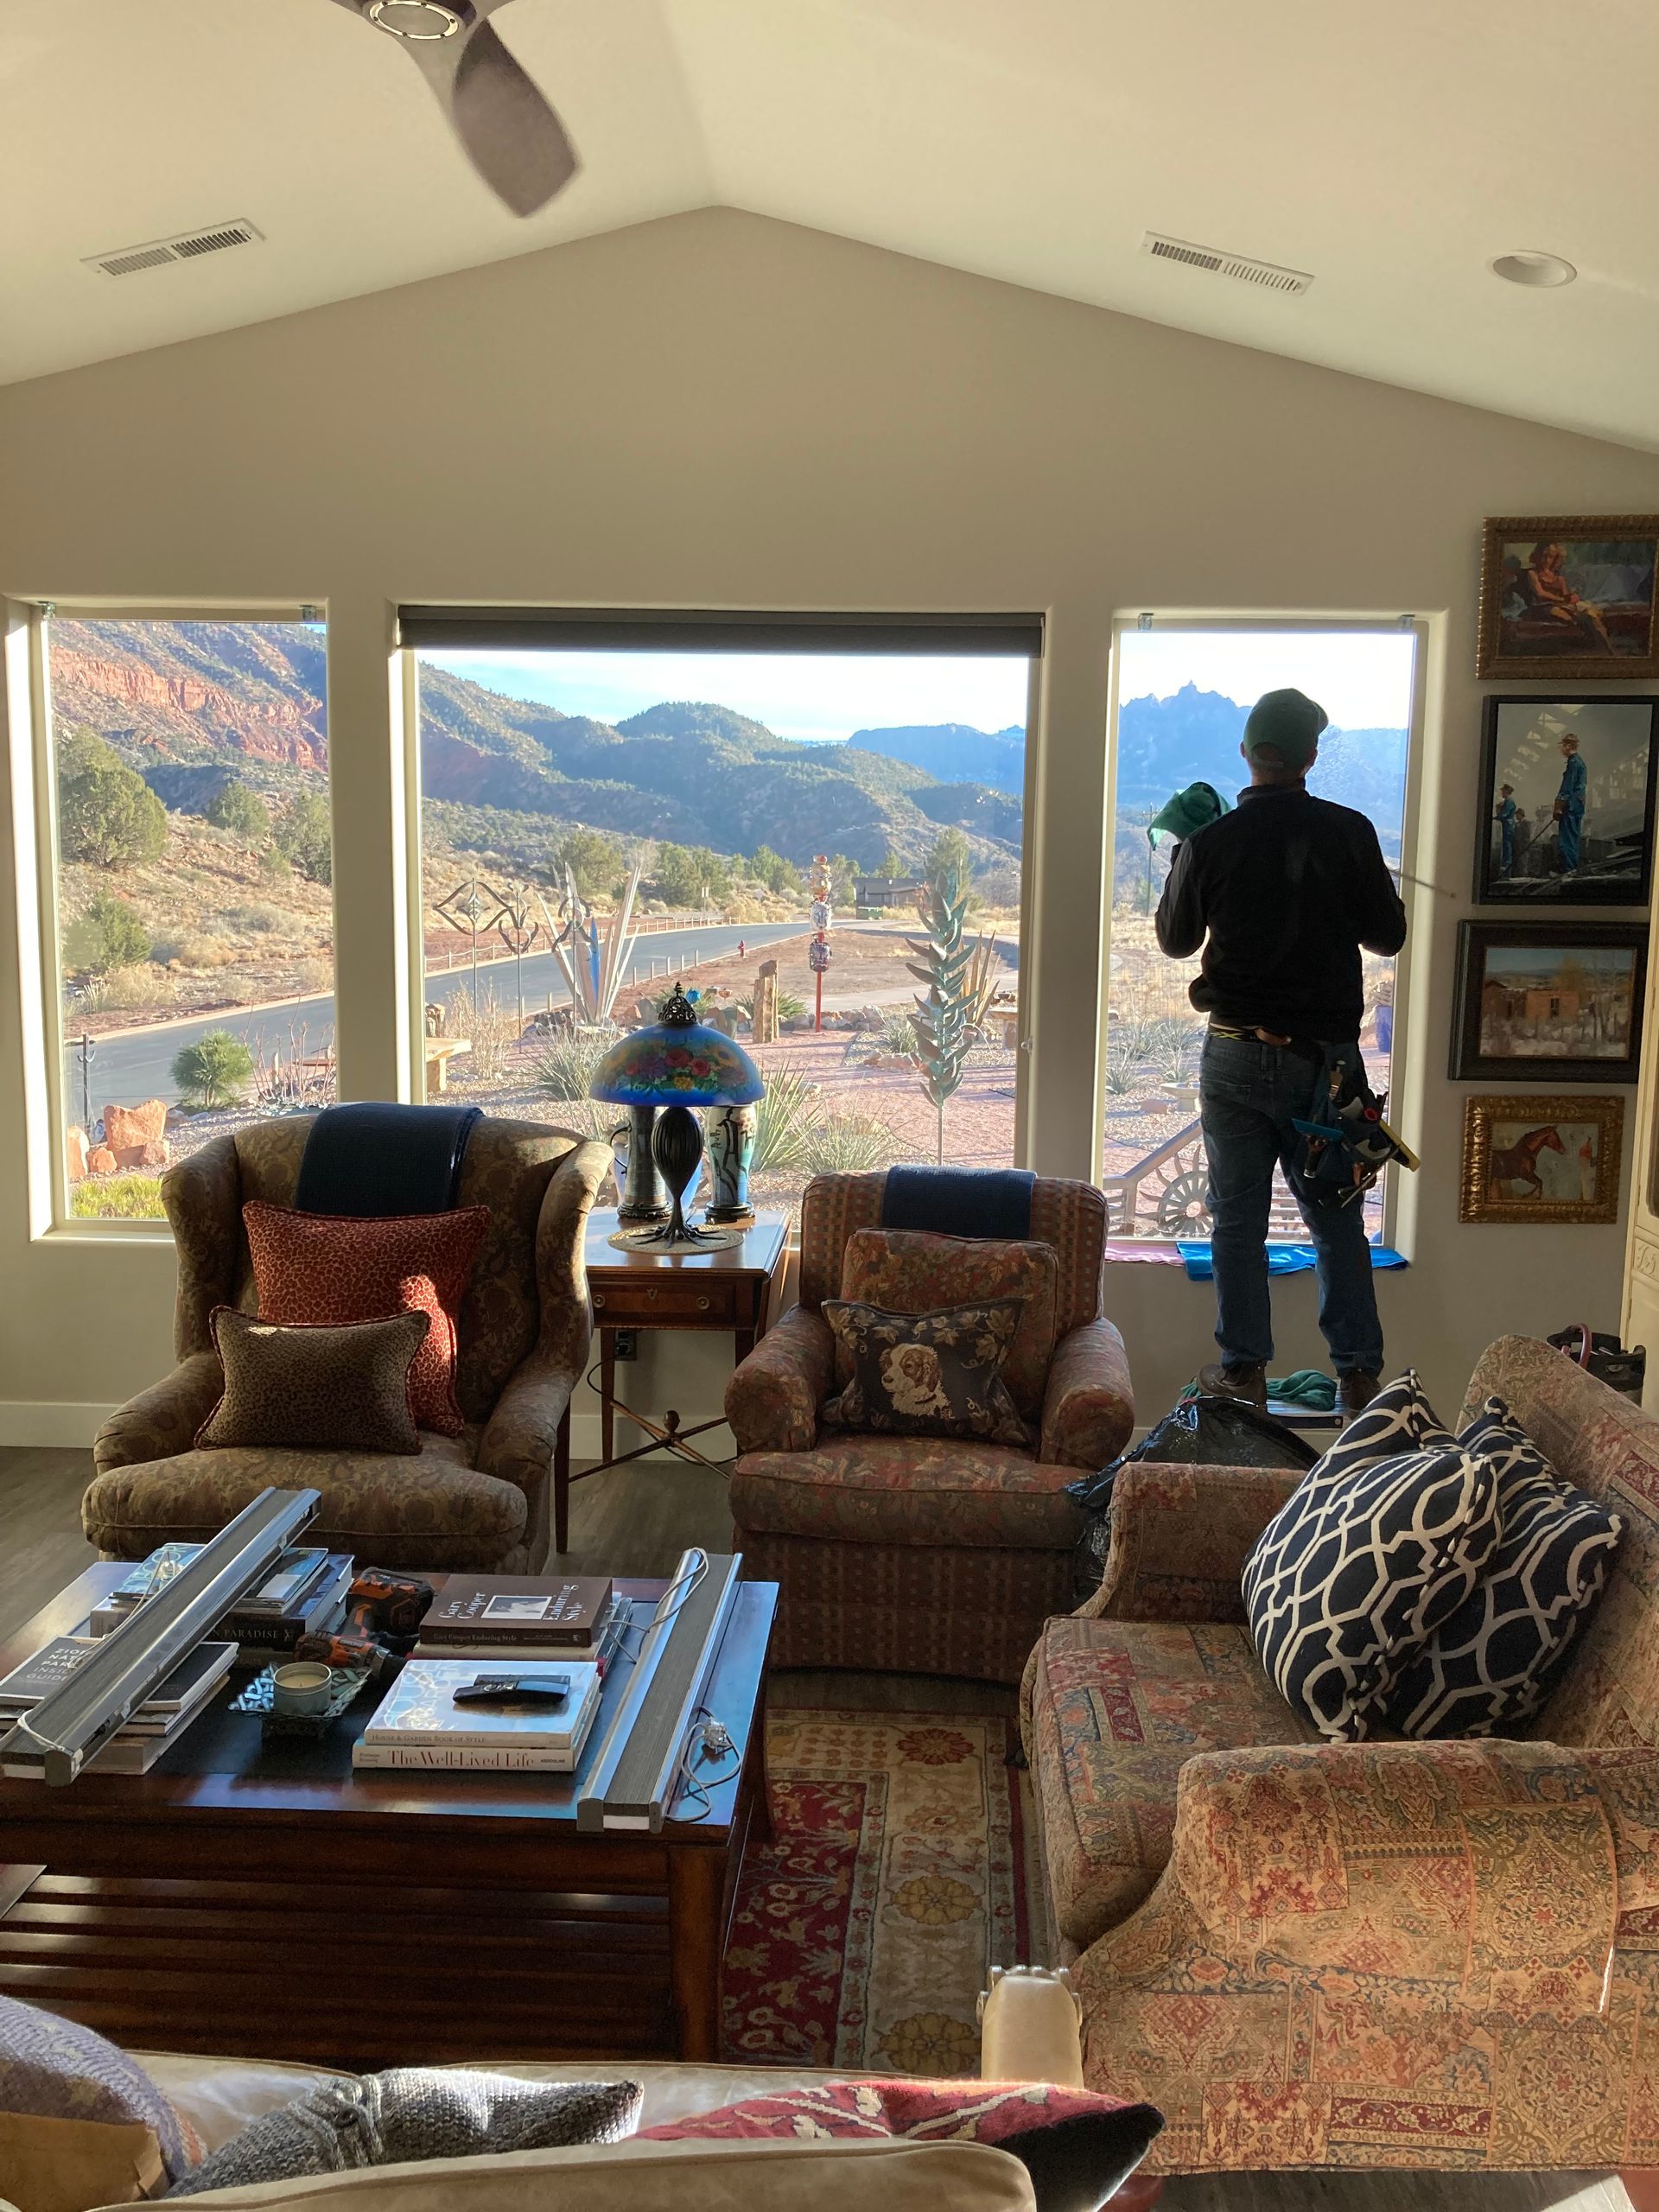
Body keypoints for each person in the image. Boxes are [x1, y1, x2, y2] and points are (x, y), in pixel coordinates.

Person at [1155, 688, 1408, 1419]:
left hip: (1232, 1055)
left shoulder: (1212, 843)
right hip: (1322, 1067)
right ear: (1310, 756)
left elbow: (1176, 941)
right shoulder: (1350, 831)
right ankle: (1359, 1379)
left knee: (1236, 1220)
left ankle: (1244, 1375)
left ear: (1246, 754)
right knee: (1335, 1219)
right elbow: (1387, 937)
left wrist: (1183, 858)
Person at [1553, 733, 1587, 875]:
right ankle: (1571, 869)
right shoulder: (1580, 762)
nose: (1561, 749)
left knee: (1566, 839)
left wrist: (1559, 806)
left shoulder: (1573, 762)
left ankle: (1568, 870)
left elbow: (1567, 786)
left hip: (1570, 806)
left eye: (1562, 746)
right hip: (1577, 805)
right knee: (1573, 838)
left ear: (1568, 746)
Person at [1495, 783, 1517, 876]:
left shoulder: (1509, 801)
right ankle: (1505, 870)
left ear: (1507, 791)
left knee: (1507, 848)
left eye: (1503, 791)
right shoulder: (1507, 801)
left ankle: (1507, 871)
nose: (1502, 793)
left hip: (1508, 826)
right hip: (1506, 826)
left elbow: (1504, 814)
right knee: (1505, 847)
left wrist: (1497, 815)